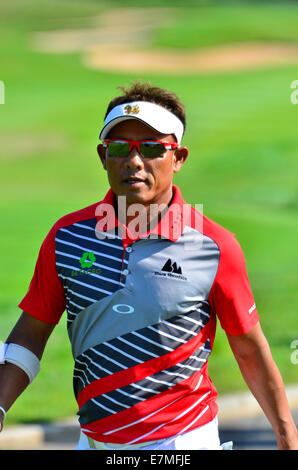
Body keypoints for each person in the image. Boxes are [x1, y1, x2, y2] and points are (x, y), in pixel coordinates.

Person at [0, 81, 297, 451]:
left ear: (179, 157)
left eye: (153, 148)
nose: (134, 161)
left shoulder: (214, 246)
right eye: (120, 148)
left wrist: (287, 436)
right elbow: (31, 333)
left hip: (182, 442)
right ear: (102, 156)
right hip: (93, 441)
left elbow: (249, 349)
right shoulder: (67, 238)